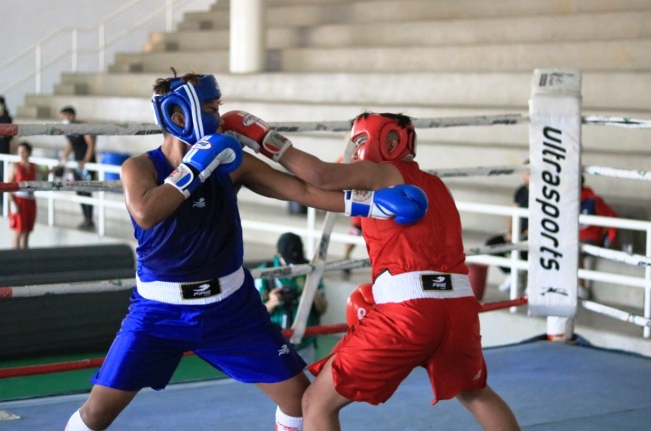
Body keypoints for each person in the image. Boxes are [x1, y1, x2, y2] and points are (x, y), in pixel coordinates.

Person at [64, 73, 427, 431]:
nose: (220, 118)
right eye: (211, 109)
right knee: (97, 414)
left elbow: (302, 192)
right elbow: (146, 212)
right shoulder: (140, 167)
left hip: (231, 310)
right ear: (178, 116)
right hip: (158, 311)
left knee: (300, 401)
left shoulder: (232, 165)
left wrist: (373, 204)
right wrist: (195, 167)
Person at [224, 111, 521, 430]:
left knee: (316, 403)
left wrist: (267, 140)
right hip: (459, 309)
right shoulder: (437, 186)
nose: (356, 149)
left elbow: (321, 176)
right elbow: (314, 192)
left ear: (391, 141)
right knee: (476, 393)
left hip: (410, 311)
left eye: (360, 140)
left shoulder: (382, 173)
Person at [255, 232, 328, 364]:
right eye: (289, 261)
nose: (293, 266)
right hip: (275, 343)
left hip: (305, 343)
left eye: (296, 261)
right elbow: (254, 316)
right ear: (278, 254)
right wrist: (272, 302)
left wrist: (313, 291)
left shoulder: (310, 270)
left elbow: (322, 309)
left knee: (308, 377)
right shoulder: (264, 273)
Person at [485, 161, 530, 292]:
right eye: (526, 172)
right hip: (518, 233)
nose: (528, 175)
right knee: (492, 244)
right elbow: (513, 213)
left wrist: (526, 234)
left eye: (531, 172)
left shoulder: (544, 194)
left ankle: (532, 281)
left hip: (533, 236)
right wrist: (511, 232)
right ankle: (512, 274)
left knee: (528, 248)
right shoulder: (521, 190)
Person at [578, 176, 618, 299]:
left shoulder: (593, 200)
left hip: (591, 239)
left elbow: (611, 217)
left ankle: (581, 288)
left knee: (575, 251)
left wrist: (609, 239)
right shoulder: (565, 201)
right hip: (572, 239)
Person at [59, 106, 97, 231]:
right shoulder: (68, 130)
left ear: (72, 116)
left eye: (65, 116)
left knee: (86, 190)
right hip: (77, 163)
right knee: (79, 190)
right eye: (62, 117)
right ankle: (85, 218)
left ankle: (89, 219)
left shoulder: (82, 127)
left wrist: (86, 160)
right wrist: (64, 156)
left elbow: (91, 144)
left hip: (87, 164)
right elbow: (71, 144)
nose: (64, 119)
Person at [7, 142, 44, 249]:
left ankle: (25, 256)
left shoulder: (33, 166)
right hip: (19, 201)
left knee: (27, 231)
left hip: (31, 201)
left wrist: (59, 165)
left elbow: (45, 173)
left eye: (23, 151)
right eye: (19, 151)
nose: (21, 153)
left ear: (28, 152)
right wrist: (12, 202)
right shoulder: (14, 166)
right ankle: (15, 256)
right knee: (19, 231)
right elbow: (8, 186)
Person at [0, 96, 16, 211]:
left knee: (3, 178)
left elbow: (8, 137)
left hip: (3, 152)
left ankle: (3, 204)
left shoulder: (7, 118)